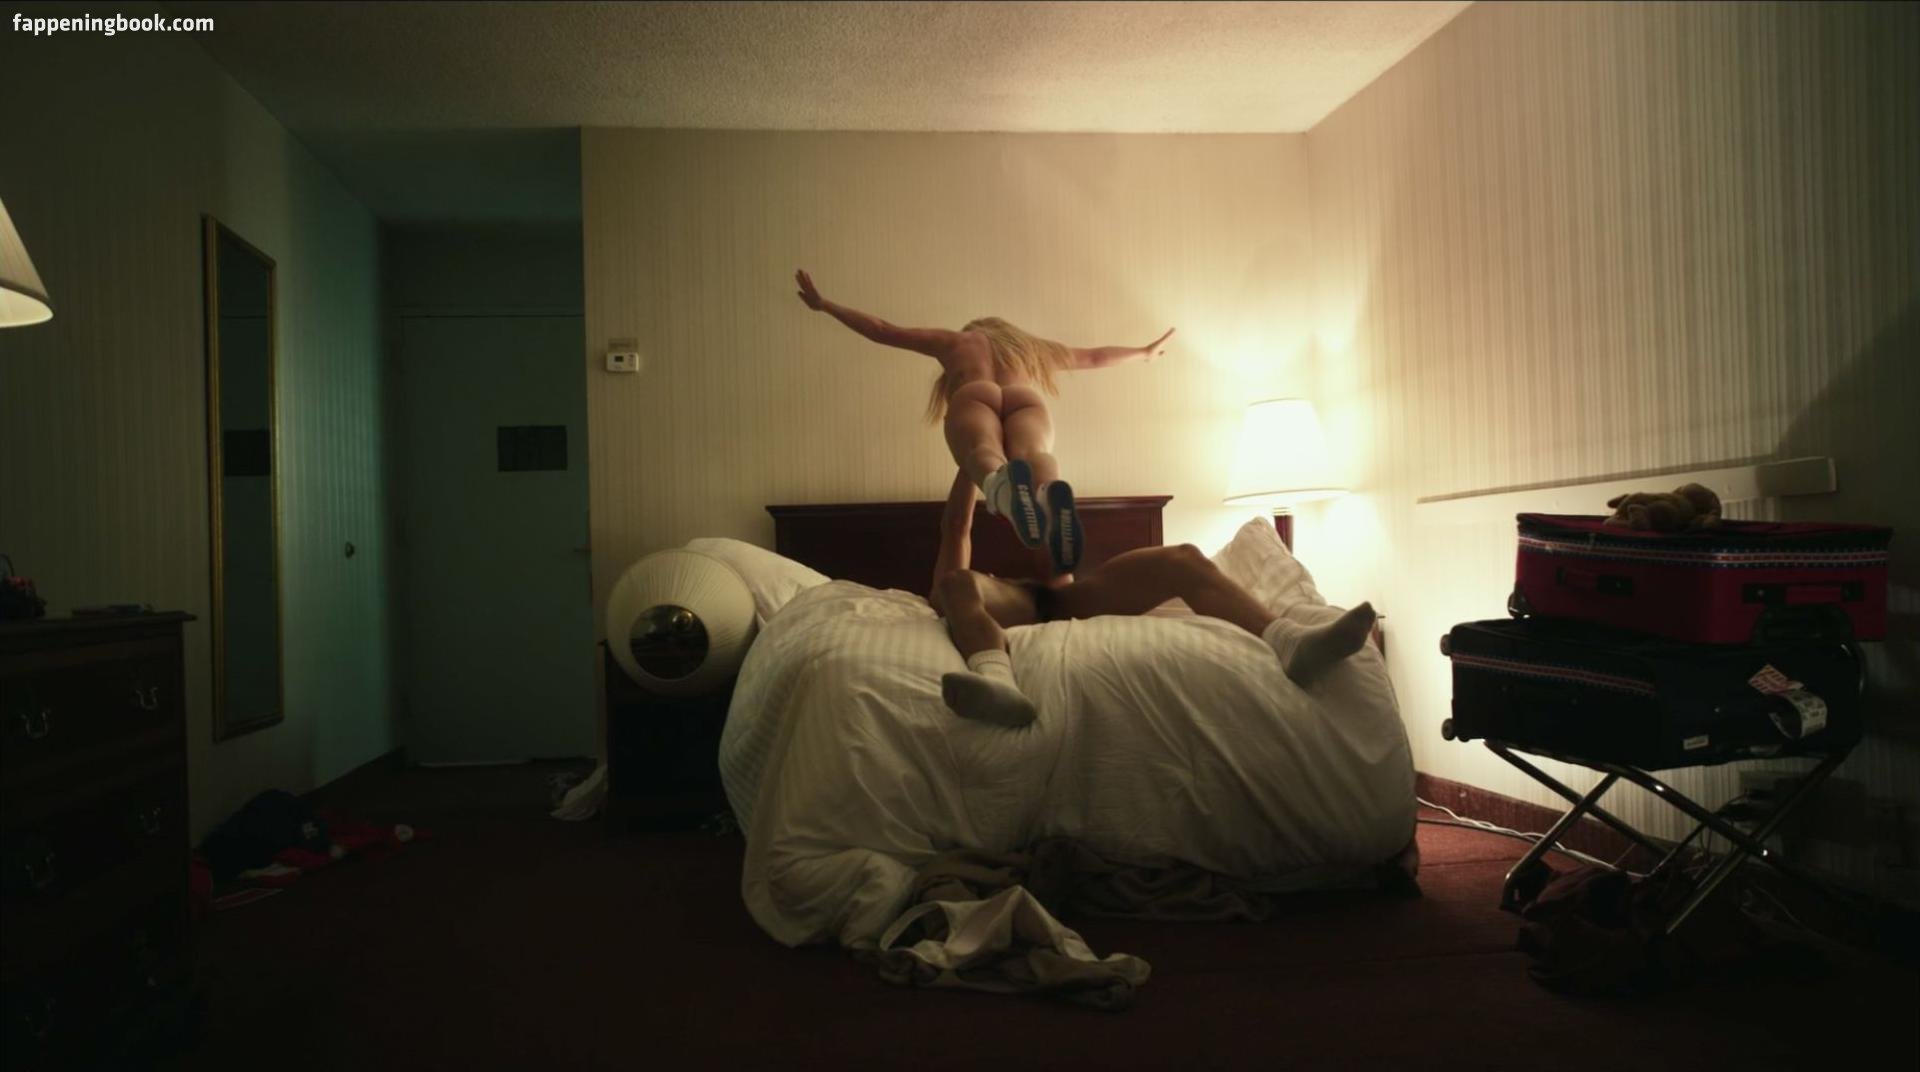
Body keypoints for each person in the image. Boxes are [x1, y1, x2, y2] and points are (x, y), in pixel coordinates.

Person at [924, 468, 1378, 728]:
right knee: (954, 584)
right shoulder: (963, 579)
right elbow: (956, 527)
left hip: (1062, 598)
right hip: (1012, 602)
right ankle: (998, 682)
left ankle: (1289, 641)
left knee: (1183, 557)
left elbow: (1061, 559)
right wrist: (970, 464)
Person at [794, 269, 1173, 573]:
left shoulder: (957, 342)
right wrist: (1144, 352)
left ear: (975, 329)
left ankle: (1003, 489)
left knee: (982, 449)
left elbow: (882, 329)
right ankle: (1050, 494)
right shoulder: (1029, 348)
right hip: (1025, 399)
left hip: (976, 395)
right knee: (1034, 454)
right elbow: (1093, 357)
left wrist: (825, 305)